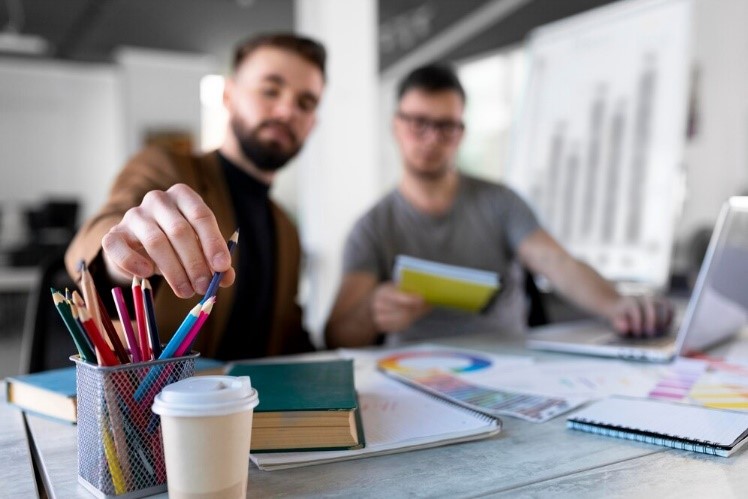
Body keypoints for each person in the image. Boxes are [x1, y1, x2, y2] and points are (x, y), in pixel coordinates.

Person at [325, 63, 672, 348]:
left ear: (461, 133)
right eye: (418, 124)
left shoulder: (500, 202)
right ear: (396, 126)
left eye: (445, 126)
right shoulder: (372, 228)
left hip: (508, 364)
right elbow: (337, 335)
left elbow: (557, 263)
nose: (431, 138)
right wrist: (370, 313)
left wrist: (616, 304)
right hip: (411, 373)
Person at [65, 33, 326, 360]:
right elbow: (105, 227)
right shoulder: (164, 165)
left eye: (305, 103)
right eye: (270, 90)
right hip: (163, 403)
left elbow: (287, 335)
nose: (287, 110)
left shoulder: (287, 229)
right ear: (229, 95)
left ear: (313, 122)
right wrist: (120, 252)